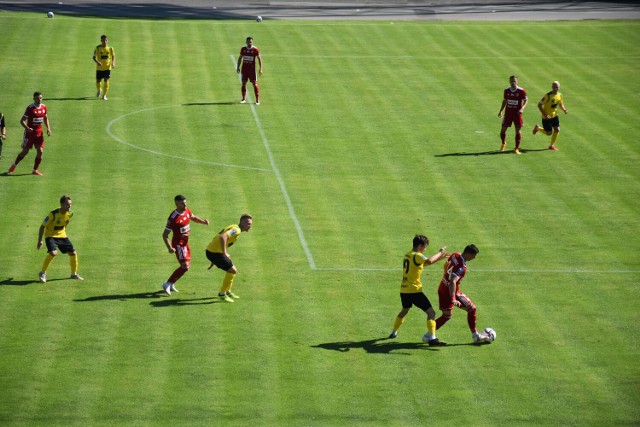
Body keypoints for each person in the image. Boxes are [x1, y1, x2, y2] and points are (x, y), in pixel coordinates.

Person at [389, 235, 449, 346]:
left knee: (405, 310)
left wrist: (440, 258)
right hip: (414, 291)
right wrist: (440, 252)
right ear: (420, 246)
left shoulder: (408, 255)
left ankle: (393, 332)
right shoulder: (417, 255)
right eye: (425, 247)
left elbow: (424, 263)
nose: (425, 249)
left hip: (404, 290)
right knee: (431, 313)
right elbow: (429, 261)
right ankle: (432, 338)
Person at [435, 244, 490, 343]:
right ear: (469, 254)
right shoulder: (461, 267)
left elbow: (445, 265)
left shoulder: (454, 255)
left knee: (446, 315)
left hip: (442, 287)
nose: (474, 258)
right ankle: (475, 336)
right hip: (452, 291)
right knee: (472, 309)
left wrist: (445, 277)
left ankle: (429, 334)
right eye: (474, 256)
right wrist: (453, 298)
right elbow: (453, 281)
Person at [162, 195, 209, 295]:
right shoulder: (173, 218)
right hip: (179, 244)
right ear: (177, 204)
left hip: (185, 243)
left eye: (185, 202)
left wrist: (203, 222)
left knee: (185, 266)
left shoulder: (186, 210)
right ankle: (167, 284)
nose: (185, 204)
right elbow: (165, 235)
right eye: (182, 203)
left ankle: (171, 283)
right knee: (185, 266)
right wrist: (169, 247)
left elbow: (193, 217)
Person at [205, 214, 253, 302]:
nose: (250, 226)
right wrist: (225, 253)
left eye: (250, 224)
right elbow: (223, 237)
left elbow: (222, 238)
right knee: (233, 270)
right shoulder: (236, 230)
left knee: (232, 270)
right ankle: (222, 294)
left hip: (214, 251)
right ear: (242, 222)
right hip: (214, 253)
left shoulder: (235, 227)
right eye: (248, 224)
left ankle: (228, 291)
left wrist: (215, 260)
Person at [37, 195, 83, 283]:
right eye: (67, 204)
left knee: (73, 253)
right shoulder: (53, 214)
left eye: (70, 204)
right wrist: (40, 241)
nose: (69, 206)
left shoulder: (70, 213)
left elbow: (66, 222)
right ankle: (42, 273)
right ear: (61, 204)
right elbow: (42, 226)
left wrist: (63, 231)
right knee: (53, 253)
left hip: (62, 236)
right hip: (50, 236)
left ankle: (74, 274)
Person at [8, 92, 51, 176]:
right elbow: (22, 120)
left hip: (39, 133)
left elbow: (45, 118)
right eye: (38, 98)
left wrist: (48, 128)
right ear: (34, 98)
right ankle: (13, 166)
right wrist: (27, 128)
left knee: (40, 151)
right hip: (30, 134)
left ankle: (35, 170)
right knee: (25, 151)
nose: (40, 99)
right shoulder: (30, 108)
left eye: (41, 98)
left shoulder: (44, 107)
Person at [532, 81, 568, 151]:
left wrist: (564, 109)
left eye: (556, 87)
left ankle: (551, 146)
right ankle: (538, 128)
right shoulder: (547, 96)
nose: (555, 88)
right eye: (554, 87)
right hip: (546, 118)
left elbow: (560, 104)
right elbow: (539, 105)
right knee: (549, 133)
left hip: (554, 116)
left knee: (557, 129)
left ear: (559, 88)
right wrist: (545, 115)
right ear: (552, 87)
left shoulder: (560, 95)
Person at [498, 75, 528, 155]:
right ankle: (503, 143)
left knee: (518, 131)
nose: (513, 82)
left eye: (514, 81)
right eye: (511, 81)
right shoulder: (506, 90)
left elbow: (526, 100)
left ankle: (517, 149)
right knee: (502, 130)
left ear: (517, 82)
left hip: (517, 114)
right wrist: (501, 111)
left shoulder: (521, 91)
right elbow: (504, 101)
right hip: (508, 113)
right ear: (509, 81)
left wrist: (522, 109)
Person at [236, 37, 263, 105]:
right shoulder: (243, 49)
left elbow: (259, 59)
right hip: (244, 69)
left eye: (251, 42)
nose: (249, 43)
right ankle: (243, 99)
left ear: (252, 42)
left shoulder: (255, 49)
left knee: (254, 84)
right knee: (243, 83)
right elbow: (240, 58)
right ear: (246, 42)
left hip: (252, 69)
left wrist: (260, 69)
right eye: (248, 42)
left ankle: (257, 100)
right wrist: (238, 67)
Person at [93, 35, 116, 101]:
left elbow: (113, 55)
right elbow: (94, 57)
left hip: (107, 67)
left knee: (106, 80)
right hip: (99, 68)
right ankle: (99, 89)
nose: (104, 41)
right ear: (101, 41)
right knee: (98, 81)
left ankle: (104, 95)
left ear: (107, 40)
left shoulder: (110, 48)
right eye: (103, 40)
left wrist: (113, 63)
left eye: (106, 40)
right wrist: (98, 62)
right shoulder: (97, 48)